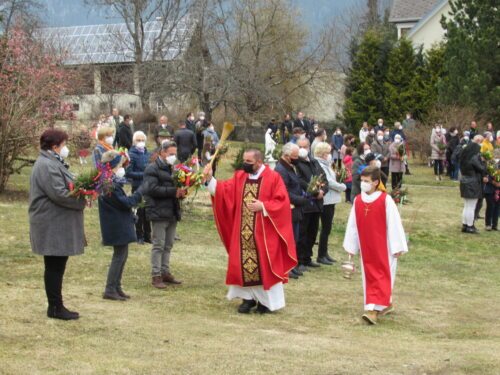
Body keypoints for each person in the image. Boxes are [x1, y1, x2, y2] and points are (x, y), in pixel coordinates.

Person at [203, 149, 297, 314]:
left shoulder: (273, 178)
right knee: (243, 265)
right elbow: (223, 191)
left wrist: (264, 206)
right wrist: (210, 178)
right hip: (243, 234)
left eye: (249, 162)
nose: (245, 164)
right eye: (244, 160)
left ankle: (265, 302)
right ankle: (247, 299)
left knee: (264, 266)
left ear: (259, 162)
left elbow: (282, 202)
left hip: (265, 234)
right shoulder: (240, 177)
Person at [29, 129, 87, 320]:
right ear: (55, 146)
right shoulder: (46, 164)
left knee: (57, 265)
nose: (65, 148)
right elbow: (59, 193)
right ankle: (55, 307)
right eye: (63, 144)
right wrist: (81, 200)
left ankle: (56, 305)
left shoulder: (53, 162)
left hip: (56, 222)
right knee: (54, 265)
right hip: (51, 223)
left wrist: (84, 189)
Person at [343, 166, 408, 325]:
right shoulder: (358, 200)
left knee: (382, 276)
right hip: (367, 247)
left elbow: (394, 223)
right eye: (362, 181)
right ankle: (386, 304)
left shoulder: (385, 200)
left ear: (376, 182)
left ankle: (372, 310)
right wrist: (351, 247)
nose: (363, 184)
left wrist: (398, 246)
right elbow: (352, 225)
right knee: (370, 276)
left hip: (384, 246)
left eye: (367, 181)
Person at [98, 151, 144, 301]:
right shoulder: (109, 183)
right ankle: (110, 288)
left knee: (122, 255)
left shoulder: (110, 181)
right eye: (118, 165)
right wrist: (139, 193)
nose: (121, 168)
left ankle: (116, 286)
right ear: (111, 166)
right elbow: (125, 203)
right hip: (116, 224)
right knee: (119, 257)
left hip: (119, 222)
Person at [143, 141, 185, 288]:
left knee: (168, 244)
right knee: (158, 245)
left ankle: (165, 272)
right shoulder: (152, 168)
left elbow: (176, 186)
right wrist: (174, 191)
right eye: (171, 154)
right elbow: (152, 189)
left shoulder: (173, 168)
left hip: (172, 210)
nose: (173, 156)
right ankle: (156, 275)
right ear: (162, 152)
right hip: (158, 211)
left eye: (175, 154)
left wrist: (182, 192)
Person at [274, 143, 310, 279]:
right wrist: (302, 199)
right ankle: (285, 267)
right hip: (288, 209)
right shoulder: (280, 169)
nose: (297, 159)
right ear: (287, 156)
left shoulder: (290, 167)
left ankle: (291, 265)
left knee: (294, 239)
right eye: (295, 156)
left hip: (295, 210)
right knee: (287, 240)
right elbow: (285, 193)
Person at [295, 137, 327, 269]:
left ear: (309, 147)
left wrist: (323, 190)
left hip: (317, 204)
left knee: (313, 232)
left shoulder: (314, 162)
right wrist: (314, 192)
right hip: (306, 202)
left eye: (305, 146)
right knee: (302, 233)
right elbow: (300, 181)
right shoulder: (297, 164)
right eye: (300, 147)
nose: (303, 149)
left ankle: (308, 257)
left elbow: (323, 177)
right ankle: (300, 260)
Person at [315, 142, 346, 265]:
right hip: (327, 199)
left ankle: (324, 252)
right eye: (327, 153)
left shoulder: (327, 164)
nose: (329, 155)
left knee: (327, 228)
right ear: (322, 153)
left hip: (331, 199)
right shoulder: (320, 164)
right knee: (325, 227)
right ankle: (321, 255)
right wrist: (342, 187)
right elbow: (329, 182)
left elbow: (334, 177)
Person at [126, 131, 152, 244]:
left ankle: (148, 235)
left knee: (147, 211)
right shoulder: (131, 154)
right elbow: (128, 172)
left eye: (142, 140)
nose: (141, 142)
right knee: (139, 211)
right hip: (137, 186)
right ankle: (139, 235)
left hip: (148, 186)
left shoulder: (148, 153)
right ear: (134, 141)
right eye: (138, 140)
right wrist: (143, 174)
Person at [459, 136, 487, 234]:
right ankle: (470, 226)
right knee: (471, 206)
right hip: (472, 182)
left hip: (464, 180)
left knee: (467, 205)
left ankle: (465, 224)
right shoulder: (474, 157)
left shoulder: (464, 156)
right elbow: (481, 168)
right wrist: (484, 162)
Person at [484, 151, 499, 231]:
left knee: (497, 207)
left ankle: (495, 224)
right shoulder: (489, 164)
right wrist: (493, 182)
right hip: (490, 189)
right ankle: (488, 224)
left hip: (498, 189)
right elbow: (486, 176)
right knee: (490, 206)